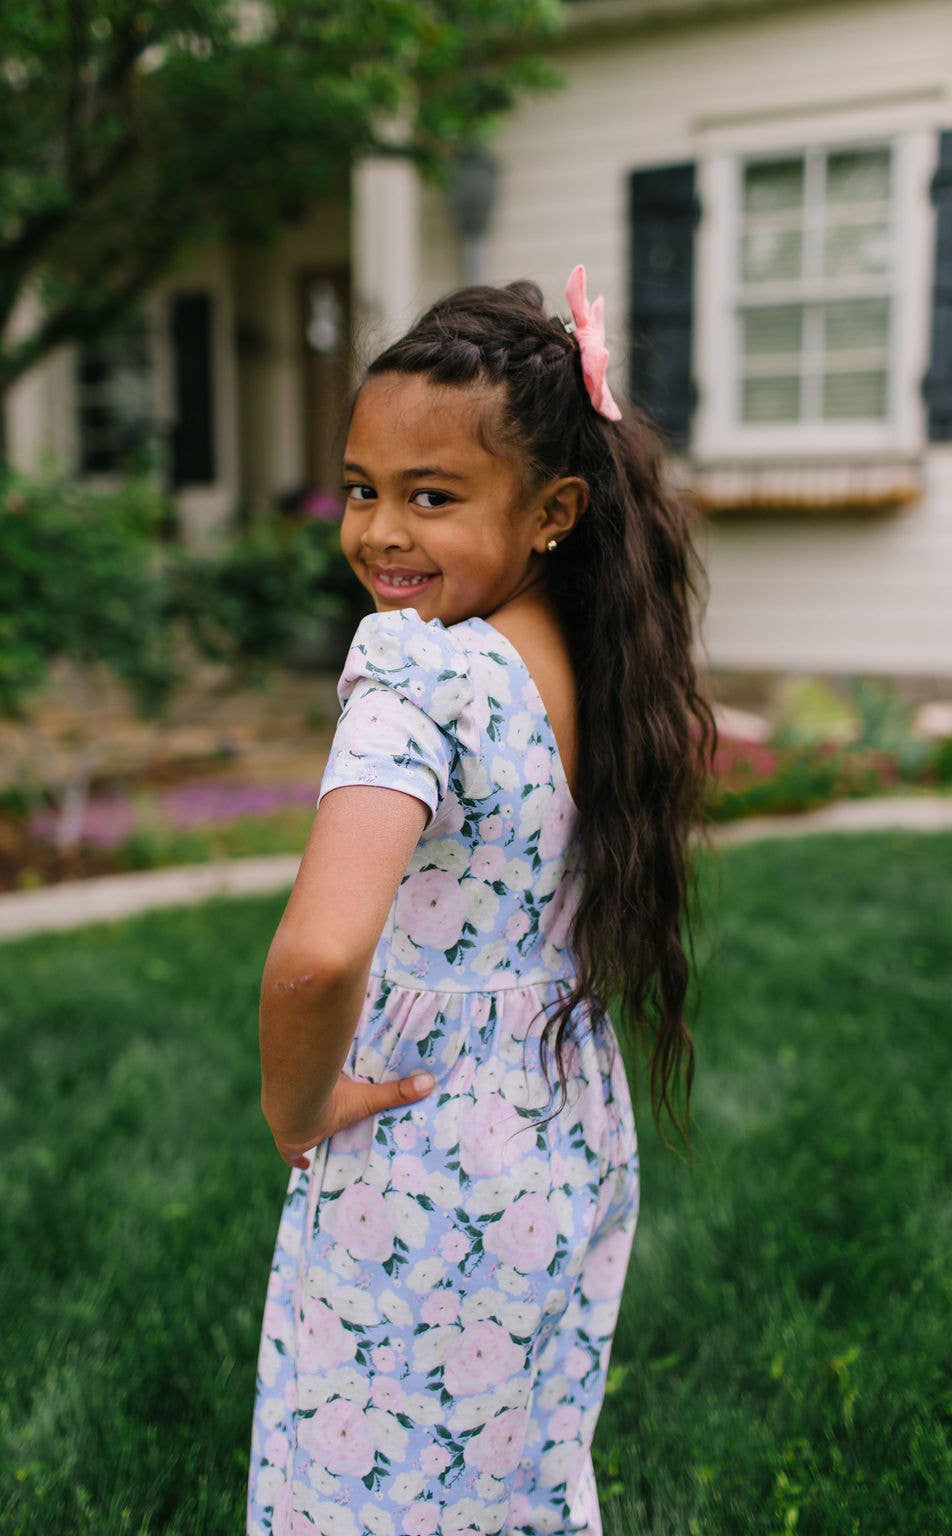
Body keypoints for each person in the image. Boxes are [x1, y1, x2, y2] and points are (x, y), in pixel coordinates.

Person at [247, 266, 717, 1535]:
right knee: (508, 1473)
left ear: (553, 507)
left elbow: (315, 955)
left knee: (368, 1482)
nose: (381, 531)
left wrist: (301, 1101)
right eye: (361, 490)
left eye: (432, 496)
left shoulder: (416, 676)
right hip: (557, 1130)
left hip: (420, 1149)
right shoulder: (579, 654)